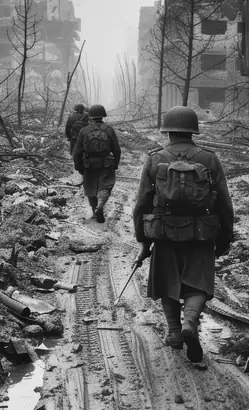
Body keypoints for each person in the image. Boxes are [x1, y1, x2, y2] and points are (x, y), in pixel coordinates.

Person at [132, 106, 233, 362]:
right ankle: (190, 322)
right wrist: (224, 238)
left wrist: (143, 241)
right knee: (197, 283)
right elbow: (224, 204)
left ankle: (175, 333)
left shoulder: (155, 159)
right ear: (192, 131)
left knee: (168, 281)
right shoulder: (209, 159)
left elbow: (142, 203)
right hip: (200, 235)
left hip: (164, 234)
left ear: (167, 131)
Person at [73, 103, 121, 223]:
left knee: (91, 189)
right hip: (106, 164)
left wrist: (79, 167)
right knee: (105, 186)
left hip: (89, 165)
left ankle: (95, 210)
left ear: (90, 116)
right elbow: (117, 150)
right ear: (102, 116)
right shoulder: (109, 131)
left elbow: (76, 153)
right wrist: (115, 164)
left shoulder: (84, 131)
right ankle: (101, 205)